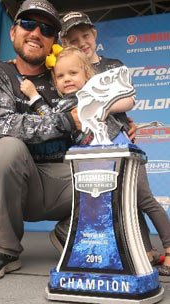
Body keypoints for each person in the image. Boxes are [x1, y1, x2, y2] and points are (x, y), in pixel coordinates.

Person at [0, 0, 137, 282]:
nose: (36, 33)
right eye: (28, 24)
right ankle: (4, 250)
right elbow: (3, 126)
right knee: (6, 148)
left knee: (118, 166)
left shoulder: (65, 73)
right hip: (24, 182)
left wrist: (124, 124)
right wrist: (66, 121)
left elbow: (97, 110)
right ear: (13, 32)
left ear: (53, 41)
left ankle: (71, 232)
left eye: (46, 29)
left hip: (69, 179)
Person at [58, 11, 170, 275]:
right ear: (65, 44)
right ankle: (144, 251)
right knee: (123, 202)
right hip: (95, 152)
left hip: (121, 143)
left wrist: (101, 108)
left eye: (85, 35)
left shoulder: (113, 65)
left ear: (94, 34)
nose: (82, 42)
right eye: (74, 39)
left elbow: (128, 100)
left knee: (143, 198)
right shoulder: (70, 74)